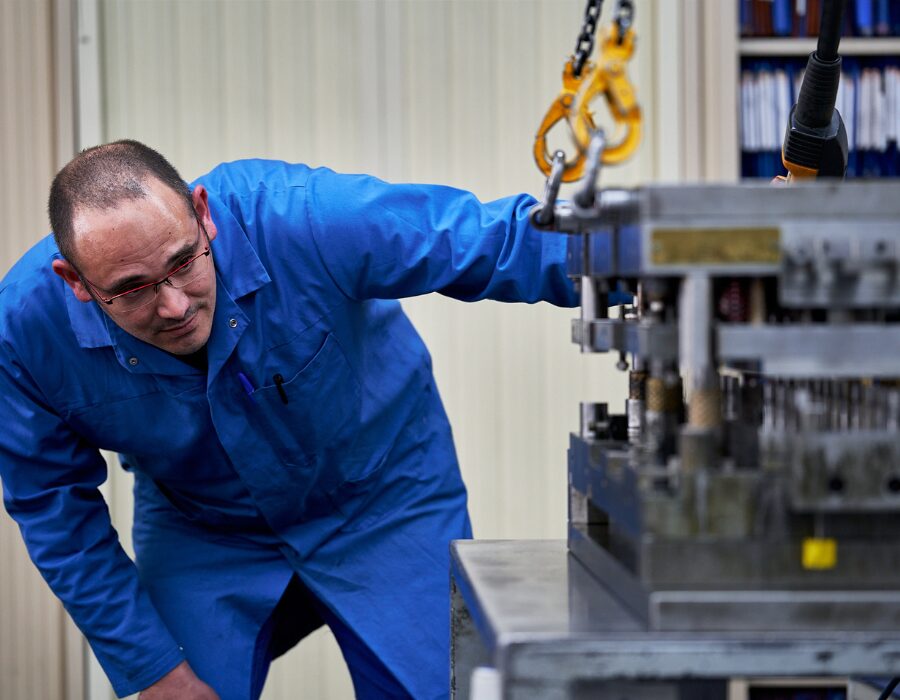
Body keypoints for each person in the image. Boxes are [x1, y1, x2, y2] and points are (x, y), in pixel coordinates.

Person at [0, 140, 583, 699]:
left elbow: (481, 239)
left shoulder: (302, 219)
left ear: (203, 214)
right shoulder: (24, 335)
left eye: (183, 263)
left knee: (432, 689)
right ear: (75, 282)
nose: (174, 304)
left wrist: (634, 259)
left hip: (384, 497)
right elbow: (55, 511)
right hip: (203, 526)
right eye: (132, 290)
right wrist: (152, 670)